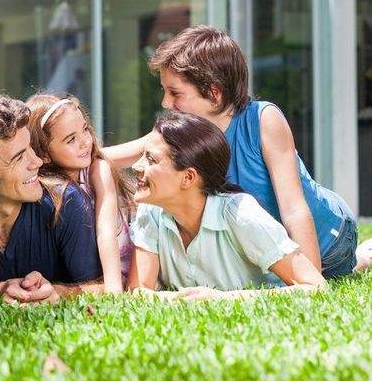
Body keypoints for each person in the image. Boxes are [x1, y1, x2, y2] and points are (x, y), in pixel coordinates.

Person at [108, 25, 371, 278]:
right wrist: (83, 151)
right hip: (270, 247)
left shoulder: (262, 120)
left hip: (328, 239)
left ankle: (363, 256)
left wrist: (310, 277)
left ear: (214, 93)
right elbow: (122, 153)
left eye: (175, 93)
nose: (166, 103)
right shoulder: (186, 131)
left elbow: (294, 210)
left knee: (342, 269)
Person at [0, 93, 135, 293]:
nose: (37, 162)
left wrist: (59, 293)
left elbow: (100, 286)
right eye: (19, 157)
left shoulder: (70, 197)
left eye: (31, 148)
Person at [127, 111, 327, 300]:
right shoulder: (151, 210)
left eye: (151, 159)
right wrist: (179, 300)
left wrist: (221, 298)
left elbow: (315, 286)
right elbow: (138, 291)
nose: (136, 166)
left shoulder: (241, 215)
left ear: (188, 177)